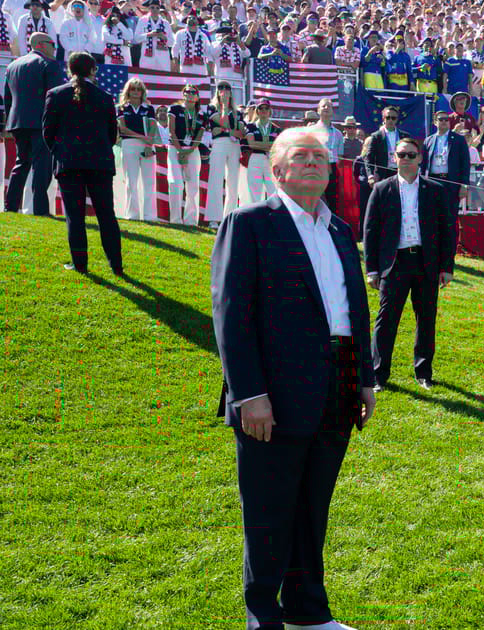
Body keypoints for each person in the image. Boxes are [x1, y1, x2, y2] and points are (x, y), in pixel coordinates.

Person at [210, 125, 375, 630]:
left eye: (321, 158)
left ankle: (308, 611)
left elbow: (355, 308)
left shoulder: (340, 230)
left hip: (338, 383)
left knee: (312, 506)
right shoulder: (250, 222)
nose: (313, 164)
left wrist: (364, 378)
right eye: (301, 156)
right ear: (277, 169)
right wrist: (249, 395)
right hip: (273, 394)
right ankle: (263, 614)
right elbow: (231, 316)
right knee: (268, 508)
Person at [363, 136, 454, 391]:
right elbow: (370, 231)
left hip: (426, 262)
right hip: (395, 263)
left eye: (410, 155)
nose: (405, 159)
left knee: (426, 319)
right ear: (395, 158)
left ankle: (423, 372)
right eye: (401, 154)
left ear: (420, 158)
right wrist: (372, 269)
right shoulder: (382, 189)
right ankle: (378, 376)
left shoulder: (434, 190)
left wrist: (447, 267)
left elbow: (447, 230)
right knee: (386, 320)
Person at [43, 52, 119, 275]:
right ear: (93, 70)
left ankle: (80, 264)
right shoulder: (105, 97)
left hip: (70, 163)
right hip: (100, 163)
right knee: (106, 214)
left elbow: (48, 132)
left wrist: (60, 153)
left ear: (69, 69)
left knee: (74, 216)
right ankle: (116, 264)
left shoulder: (56, 95)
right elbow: (112, 134)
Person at [4, 32, 61, 216]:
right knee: (41, 165)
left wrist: (10, 122)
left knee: (21, 163)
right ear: (42, 45)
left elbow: (7, 99)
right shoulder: (49, 64)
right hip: (40, 121)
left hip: (18, 121)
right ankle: (40, 209)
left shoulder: (12, 65)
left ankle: (10, 206)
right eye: (52, 44)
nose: (54, 48)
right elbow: (55, 96)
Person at [421, 110, 471, 233]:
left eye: (446, 119)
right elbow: (423, 165)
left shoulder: (458, 139)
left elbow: (465, 164)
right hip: (432, 181)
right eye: (441, 119)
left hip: (451, 183)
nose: (444, 122)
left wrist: (464, 185)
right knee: (432, 215)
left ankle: (450, 247)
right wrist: (421, 183)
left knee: (450, 217)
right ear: (435, 122)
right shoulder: (428, 140)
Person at [206, 80, 244, 229]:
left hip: (234, 146)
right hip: (219, 144)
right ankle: (214, 218)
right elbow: (221, 122)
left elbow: (241, 132)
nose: (224, 90)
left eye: (227, 88)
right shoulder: (211, 107)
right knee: (215, 179)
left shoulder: (238, 111)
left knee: (233, 182)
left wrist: (227, 129)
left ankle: (229, 217)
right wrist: (223, 104)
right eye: (221, 87)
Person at [117, 77, 156, 222]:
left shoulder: (149, 108)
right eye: (132, 88)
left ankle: (149, 216)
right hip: (129, 145)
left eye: (138, 89)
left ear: (142, 92)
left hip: (146, 146)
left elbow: (152, 127)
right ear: (128, 91)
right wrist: (142, 137)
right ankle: (132, 215)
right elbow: (123, 128)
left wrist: (148, 144)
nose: (135, 92)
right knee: (131, 181)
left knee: (149, 182)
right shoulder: (122, 107)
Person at [167, 84, 205, 225]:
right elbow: (172, 130)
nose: (190, 94)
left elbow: (199, 136)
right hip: (174, 148)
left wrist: (189, 150)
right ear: (183, 94)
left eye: (193, 92)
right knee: (176, 183)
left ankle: (190, 221)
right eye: (187, 91)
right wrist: (180, 150)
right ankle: (175, 220)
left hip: (192, 151)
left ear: (197, 96)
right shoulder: (175, 109)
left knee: (193, 185)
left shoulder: (201, 114)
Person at [243, 99, 278, 202]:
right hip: (256, 158)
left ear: (270, 111)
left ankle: (273, 217)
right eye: (261, 108)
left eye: (266, 108)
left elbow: (277, 146)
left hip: (271, 160)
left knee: (273, 191)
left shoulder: (276, 128)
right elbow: (251, 144)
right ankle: (256, 217)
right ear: (257, 111)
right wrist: (269, 145)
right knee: (255, 192)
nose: (263, 110)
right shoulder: (250, 126)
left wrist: (260, 145)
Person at [313, 98, 343, 212]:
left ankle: (331, 227)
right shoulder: (311, 130)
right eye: (323, 106)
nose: (326, 108)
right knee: (314, 199)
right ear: (318, 110)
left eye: (329, 106)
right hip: (315, 167)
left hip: (332, 168)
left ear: (332, 111)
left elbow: (340, 157)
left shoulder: (338, 134)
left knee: (332, 201)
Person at [367, 105, 410, 185]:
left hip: (400, 173)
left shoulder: (405, 136)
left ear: (397, 120)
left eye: (393, 118)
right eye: (388, 117)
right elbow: (369, 158)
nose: (390, 120)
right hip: (382, 174)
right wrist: (370, 176)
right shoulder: (376, 136)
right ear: (383, 118)